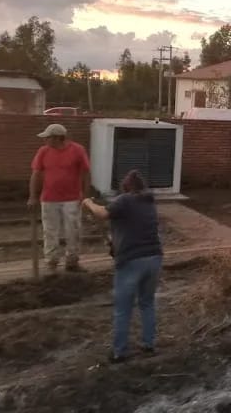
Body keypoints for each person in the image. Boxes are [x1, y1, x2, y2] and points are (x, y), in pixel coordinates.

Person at [82, 170, 163, 363]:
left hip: (131, 261)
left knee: (123, 308)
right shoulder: (149, 203)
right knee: (147, 303)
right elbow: (131, 226)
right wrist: (114, 242)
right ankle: (149, 343)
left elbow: (102, 213)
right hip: (154, 258)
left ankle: (120, 352)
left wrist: (88, 203)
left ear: (126, 187)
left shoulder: (125, 200)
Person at [28, 123, 90, 272]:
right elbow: (36, 174)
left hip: (72, 198)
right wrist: (33, 196)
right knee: (50, 231)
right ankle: (51, 261)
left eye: (47, 138)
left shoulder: (77, 150)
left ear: (57, 138)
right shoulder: (43, 151)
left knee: (73, 231)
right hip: (49, 198)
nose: (45, 140)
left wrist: (85, 196)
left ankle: (72, 261)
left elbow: (86, 173)